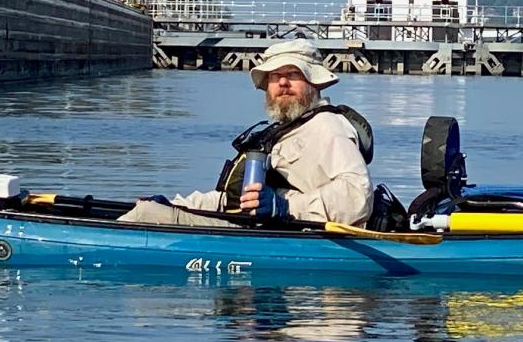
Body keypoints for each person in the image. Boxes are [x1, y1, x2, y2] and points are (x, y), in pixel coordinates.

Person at [118, 38, 373, 227]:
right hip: (258, 229)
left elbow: (358, 196)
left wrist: (284, 207)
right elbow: (231, 200)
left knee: (145, 217)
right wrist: (175, 204)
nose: (283, 83)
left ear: (314, 82)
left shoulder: (327, 127)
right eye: (275, 76)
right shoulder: (284, 131)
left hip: (291, 239)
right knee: (149, 209)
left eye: (293, 74)